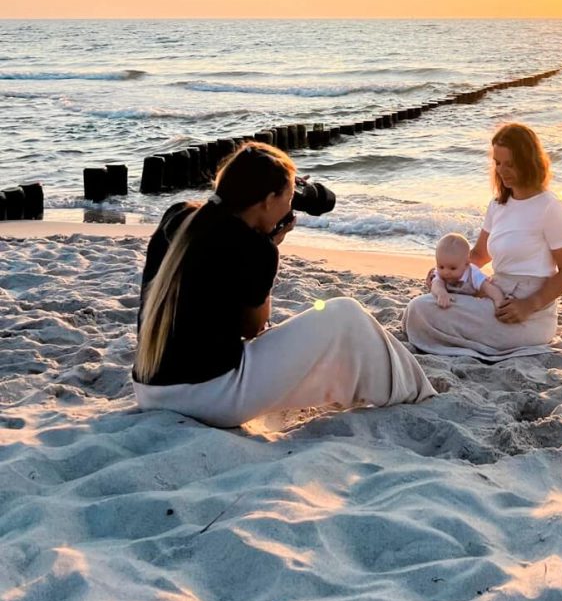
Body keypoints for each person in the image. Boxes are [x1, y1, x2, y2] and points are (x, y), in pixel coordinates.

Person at [133, 142, 435, 427]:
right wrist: (269, 248)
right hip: (210, 397)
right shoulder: (255, 248)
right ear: (268, 201)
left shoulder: (179, 217)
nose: (291, 206)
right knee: (347, 314)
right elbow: (253, 328)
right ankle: (417, 393)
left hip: (149, 390)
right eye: (289, 198)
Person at [403, 123, 562, 359]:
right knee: (420, 307)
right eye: (497, 163)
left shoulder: (551, 208)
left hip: (529, 315)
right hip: (495, 296)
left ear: (529, 163)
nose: (502, 171)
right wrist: (444, 273)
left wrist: (529, 305)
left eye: (510, 164)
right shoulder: (498, 205)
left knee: (420, 310)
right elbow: (478, 256)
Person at [431, 232, 506, 310]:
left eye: (453, 268)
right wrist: (441, 293)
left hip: (469, 303)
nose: (446, 272)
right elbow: (436, 284)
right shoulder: (440, 272)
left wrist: (498, 300)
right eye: (441, 267)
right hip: (450, 300)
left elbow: (488, 287)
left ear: (466, 264)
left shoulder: (473, 273)